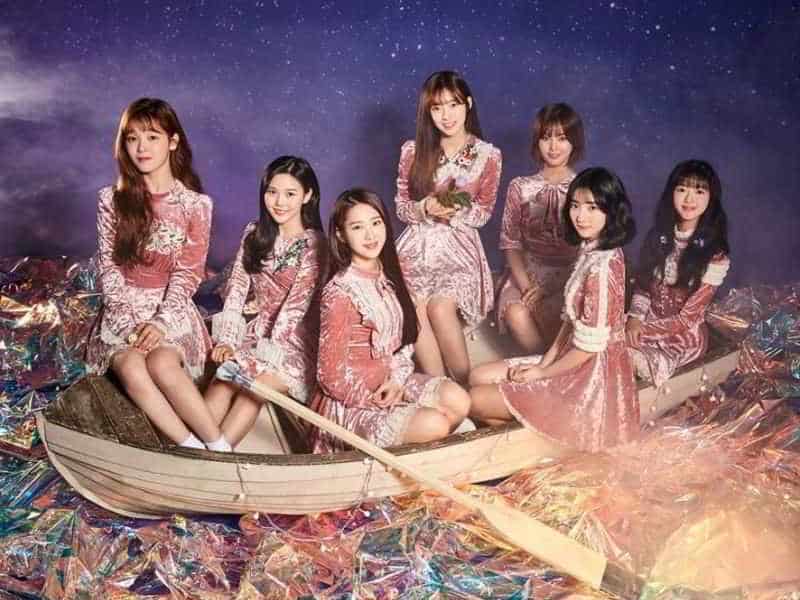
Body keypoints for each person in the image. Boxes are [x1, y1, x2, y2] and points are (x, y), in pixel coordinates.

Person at [85, 97, 228, 451]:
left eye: (152, 137)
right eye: (132, 138)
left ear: (173, 141)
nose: (141, 148)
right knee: (133, 366)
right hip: (122, 312)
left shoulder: (196, 205)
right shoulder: (111, 200)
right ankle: (190, 450)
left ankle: (221, 448)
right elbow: (109, 268)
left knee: (163, 363)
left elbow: (189, 272)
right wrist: (129, 326)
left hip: (170, 311)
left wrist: (161, 324)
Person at [469, 167, 638, 452]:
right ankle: (533, 436)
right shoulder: (590, 249)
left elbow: (588, 349)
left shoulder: (603, 266)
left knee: (475, 400)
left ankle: (535, 443)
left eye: (592, 207)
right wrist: (542, 365)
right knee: (476, 377)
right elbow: (569, 325)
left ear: (612, 211)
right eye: (575, 206)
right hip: (568, 359)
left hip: (590, 378)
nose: (580, 216)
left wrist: (542, 375)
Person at [310, 188, 471, 452]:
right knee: (436, 424)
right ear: (340, 234)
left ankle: (413, 448)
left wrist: (397, 381)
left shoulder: (391, 272)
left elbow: (404, 342)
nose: (370, 235)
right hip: (353, 398)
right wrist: (376, 401)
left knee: (459, 400)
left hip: (391, 380)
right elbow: (330, 376)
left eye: (376, 223)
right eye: (357, 227)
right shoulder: (340, 292)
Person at [203, 157, 327, 448]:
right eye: (272, 192)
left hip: (294, 346)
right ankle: (191, 451)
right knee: (223, 378)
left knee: (253, 387)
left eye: (290, 193)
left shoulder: (315, 245)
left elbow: (294, 311)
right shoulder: (254, 233)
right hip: (256, 333)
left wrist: (260, 358)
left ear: (307, 195)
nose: (279, 202)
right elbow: (236, 289)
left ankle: (219, 454)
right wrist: (228, 341)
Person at [394, 70, 502, 384]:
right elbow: (401, 207)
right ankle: (439, 389)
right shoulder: (413, 150)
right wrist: (424, 207)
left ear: (468, 104)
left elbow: (484, 212)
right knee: (413, 305)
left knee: (440, 308)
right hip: (417, 247)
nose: (446, 115)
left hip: (459, 248)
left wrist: (458, 210)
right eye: (437, 107)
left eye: (453, 105)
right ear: (428, 112)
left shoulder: (487, 155)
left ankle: (467, 387)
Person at [627, 160, 730, 387]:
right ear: (671, 193)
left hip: (681, 339)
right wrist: (634, 319)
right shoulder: (658, 236)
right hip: (644, 323)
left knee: (622, 355)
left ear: (711, 197)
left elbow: (686, 319)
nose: (689, 199)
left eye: (699, 191)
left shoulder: (715, 256)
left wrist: (639, 331)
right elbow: (643, 287)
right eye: (682, 189)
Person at [497, 103, 585, 353]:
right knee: (517, 313)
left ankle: (556, 368)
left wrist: (553, 288)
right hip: (527, 274)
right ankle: (541, 367)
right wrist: (528, 287)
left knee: (561, 315)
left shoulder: (584, 187)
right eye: (546, 138)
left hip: (571, 275)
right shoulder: (520, 186)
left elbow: (589, 247)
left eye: (562, 138)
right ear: (537, 141)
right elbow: (510, 243)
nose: (553, 147)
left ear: (574, 142)